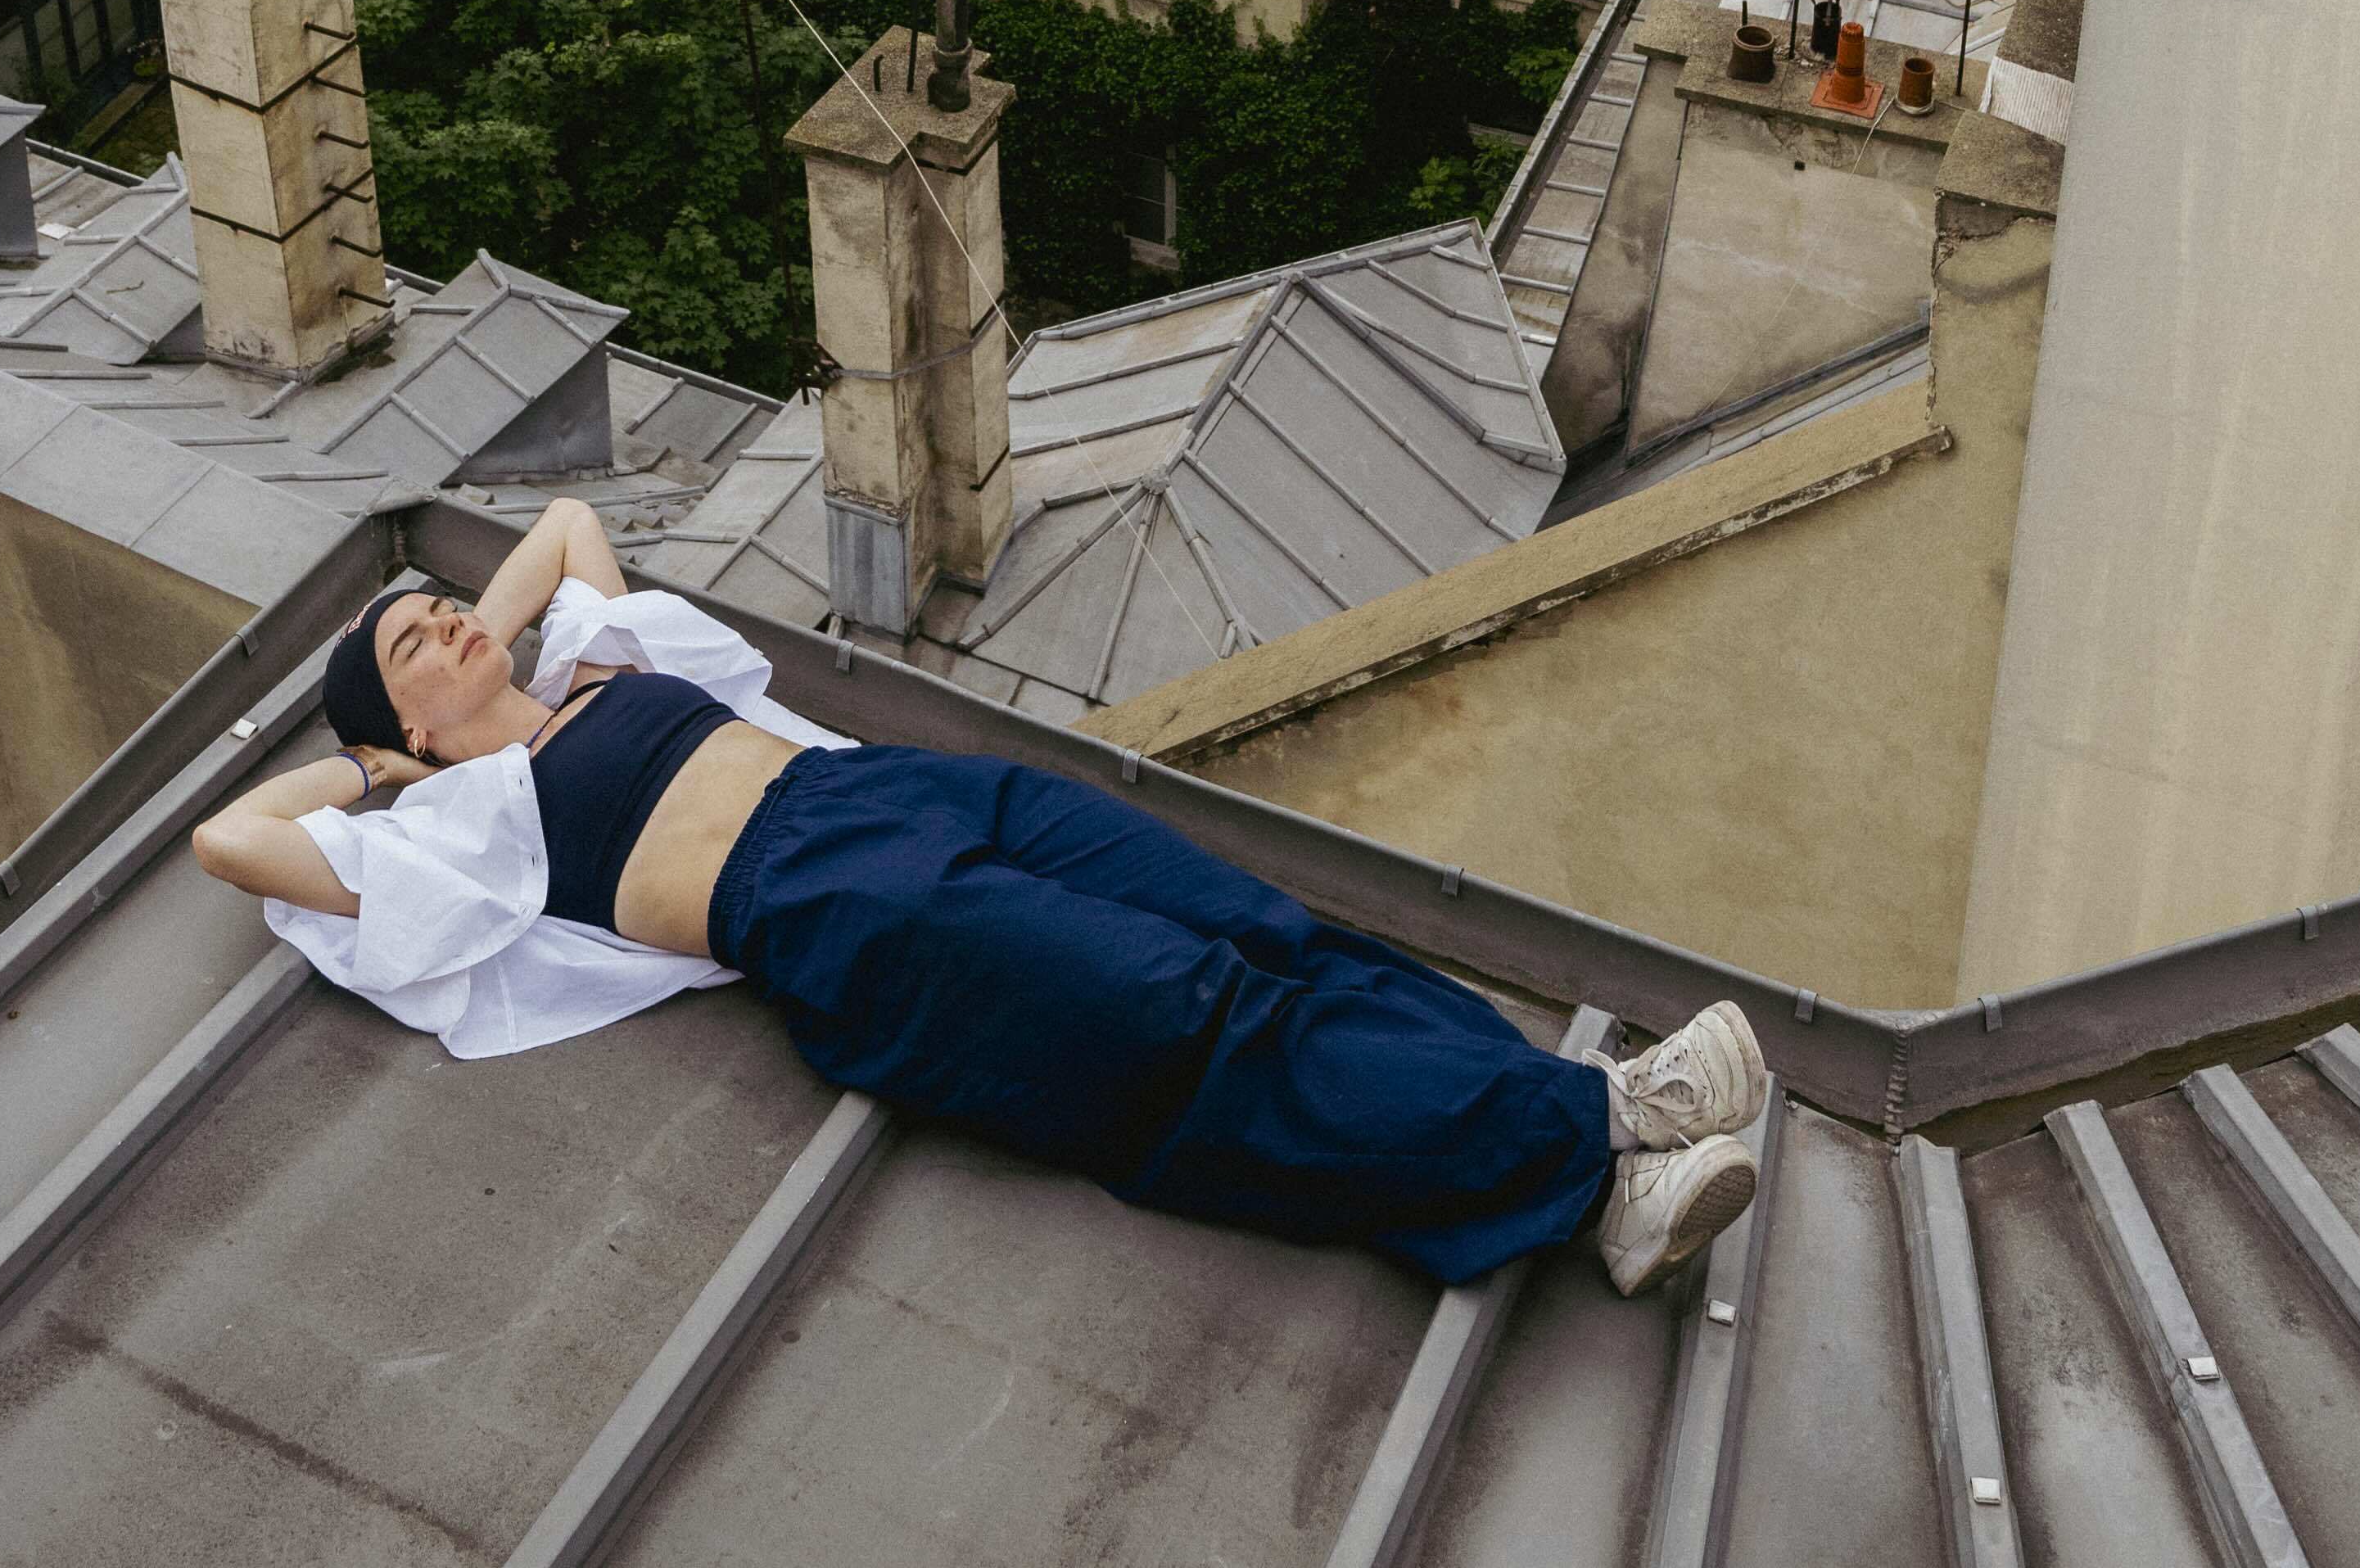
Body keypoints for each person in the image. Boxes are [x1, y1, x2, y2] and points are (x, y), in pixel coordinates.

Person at [196, 496, 1768, 1292]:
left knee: (1255, 929)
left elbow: (563, 532)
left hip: (900, 792)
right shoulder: (458, 827)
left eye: (454, 612)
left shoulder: (604, 665)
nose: (461, 624)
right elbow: (231, 842)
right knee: (1189, 1023)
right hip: (833, 912)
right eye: (420, 646)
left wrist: (477, 634)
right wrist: (383, 768)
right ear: (398, 722)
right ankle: (1597, 1143)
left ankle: (1586, 1134)